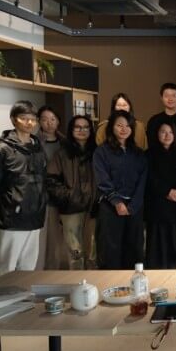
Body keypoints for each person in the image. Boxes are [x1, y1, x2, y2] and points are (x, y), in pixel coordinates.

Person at [0, 100, 47, 275]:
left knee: (29, 265)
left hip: (35, 214)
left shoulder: (37, 147)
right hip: (12, 215)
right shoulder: (1, 150)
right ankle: (3, 293)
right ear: (13, 119)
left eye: (33, 119)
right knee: (7, 266)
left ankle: (25, 293)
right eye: (24, 118)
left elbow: (43, 179)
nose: (29, 123)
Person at [93, 110, 147, 269]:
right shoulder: (102, 152)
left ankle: (135, 282)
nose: (124, 129)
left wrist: (133, 205)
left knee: (135, 248)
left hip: (134, 208)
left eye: (128, 126)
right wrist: (116, 202)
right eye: (119, 125)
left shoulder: (138, 153)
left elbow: (142, 182)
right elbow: (102, 179)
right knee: (111, 249)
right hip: (110, 207)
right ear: (112, 127)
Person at [46, 115, 98, 270]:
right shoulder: (62, 154)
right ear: (71, 130)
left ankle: (93, 281)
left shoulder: (97, 153)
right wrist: (67, 196)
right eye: (78, 127)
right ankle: (77, 281)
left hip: (93, 208)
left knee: (93, 250)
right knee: (75, 251)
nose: (82, 130)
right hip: (70, 209)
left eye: (86, 127)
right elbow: (51, 179)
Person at [144, 120, 176, 269]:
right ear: (157, 134)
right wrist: (166, 191)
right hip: (159, 204)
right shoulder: (149, 155)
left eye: (171, 132)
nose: (167, 135)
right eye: (163, 132)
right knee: (160, 245)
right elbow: (149, 178)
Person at [36, 105, 64, 270]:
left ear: (58, 121)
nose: (49, 123)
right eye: (45, 119)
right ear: (39, 121)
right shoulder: (34, 142)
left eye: (53, 119)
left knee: (57, 240)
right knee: (42, 239)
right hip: (42, 196)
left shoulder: (65, 142)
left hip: (61, 195)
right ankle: (39, 273)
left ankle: (54, 272)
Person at [146, 82, 176, 149]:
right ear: (161, 98)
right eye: (167, 96)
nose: (170, 99)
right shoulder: (154, 120)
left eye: (174, 96)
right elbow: (151, 145)